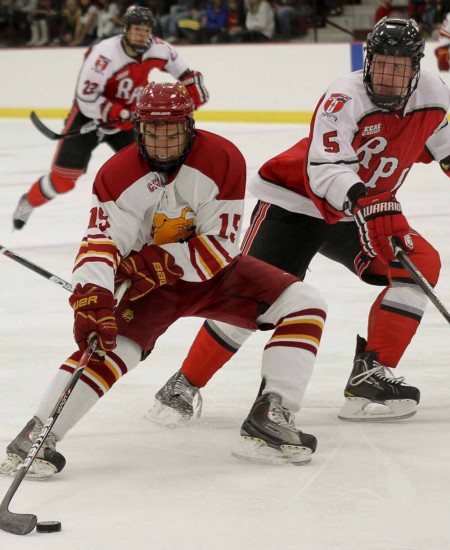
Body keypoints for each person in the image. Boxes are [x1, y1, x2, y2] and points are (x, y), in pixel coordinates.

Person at [0, 81, 327, 477]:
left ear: (189, 126)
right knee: (106, 345)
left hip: (214, 276)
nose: (165, 141)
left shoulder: (223, 158)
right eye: (154, 130)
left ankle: (271, 418)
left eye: (173, 130)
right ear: (139, 128)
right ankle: (37, 436)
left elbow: (221, 245)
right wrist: (92, 297)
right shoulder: (117, 173)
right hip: (147, 289)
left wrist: (157, 261)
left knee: (305, 304)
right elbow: (101, 244)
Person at [151, 17, 450, 424]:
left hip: (360, 214)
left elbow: (445, 147)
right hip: (295, 203)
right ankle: (184, 383)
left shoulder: (435, 95)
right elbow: (326, 169)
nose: (388, 75)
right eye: (381, 63)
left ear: (416, 67)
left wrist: (369, 207)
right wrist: (367, 202)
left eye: (399, 66)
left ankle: (370, 377)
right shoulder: (344, 97)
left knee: (420, 266)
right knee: (254, 298)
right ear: (368, 61)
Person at [12, 4, 209, 231]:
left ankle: (161, 224)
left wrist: (193, 93)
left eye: (146, 31)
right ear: (125, 29)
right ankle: (29, 201)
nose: (142, 35)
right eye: (137, 30)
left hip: (131, 118)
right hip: (90, 117)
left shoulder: (160, 49)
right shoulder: (104, 54)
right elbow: (86, 98)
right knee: (62, 181)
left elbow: (187, 74)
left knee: (155, 172)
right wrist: (117, 113)